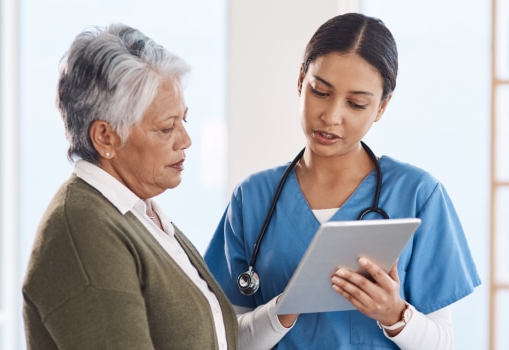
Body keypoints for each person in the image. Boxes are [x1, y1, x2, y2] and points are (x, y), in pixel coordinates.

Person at [204, 12, 481, 349]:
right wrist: (281, 311)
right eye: (320, 92)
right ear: (300, 80)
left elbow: (444, 343)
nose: (331, 116)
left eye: (356, 103)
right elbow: (225, 338)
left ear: (381, 107)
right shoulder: (252, 198)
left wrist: (394, 314)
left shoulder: (419, 195)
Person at [22, 24, 237, 349]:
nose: (186, 141)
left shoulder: (141, 214)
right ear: (106, 137)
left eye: (184, 121)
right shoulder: (85, 231)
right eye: (167, 128)